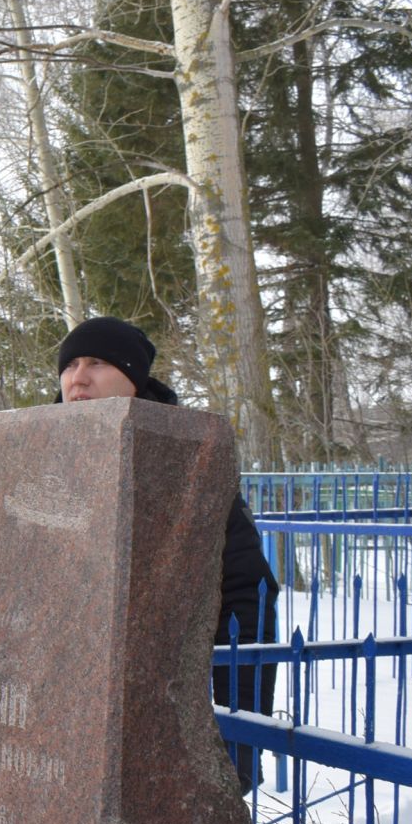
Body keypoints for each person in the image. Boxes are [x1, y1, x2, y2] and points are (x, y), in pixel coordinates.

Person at [57, 315, 282, 790]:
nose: (78, 378)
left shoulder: (188, 464)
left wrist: (237, 737)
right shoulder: (36, 454)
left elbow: (247, 597)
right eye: (70, 364)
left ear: (134, 380)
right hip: (57, 720)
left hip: (156, 719)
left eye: (96, 363)